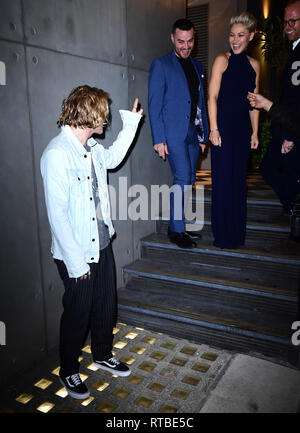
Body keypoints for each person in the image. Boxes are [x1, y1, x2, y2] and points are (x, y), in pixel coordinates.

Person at [40, 85, 143, 399]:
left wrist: (131, 123)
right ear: (88, 115)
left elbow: (112, 158)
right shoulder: (57, 153)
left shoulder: (93, 147)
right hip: (76, 253)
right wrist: (76, 264)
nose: (106, 121)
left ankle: (101, 353)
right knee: (77, 313)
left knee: (105, 306)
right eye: (103, 116)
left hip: (100, 243)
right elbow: (57, 217)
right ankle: (68, 370)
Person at [148, 18, 209, 249]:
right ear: (172, 38)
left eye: (190, 41)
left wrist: (203, 135)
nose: (185, 46)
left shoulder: (198, 66)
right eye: (181, 41)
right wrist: (159, 138)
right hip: (172, 134)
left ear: (195, 39)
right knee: (182, 178)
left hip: (193, 133)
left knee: (190, 179)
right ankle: (176, 230)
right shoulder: (161, 65)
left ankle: (179, 225)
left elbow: (200, 102)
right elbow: (154, 104)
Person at [207, 12, 260, 249]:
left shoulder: (255, 66)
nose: (235, 40)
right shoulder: (222, 60)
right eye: (231, 35)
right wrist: (214, 129)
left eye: (240, 35)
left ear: (251, 36)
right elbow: (212, 97)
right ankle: (222, 234)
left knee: (239, 183)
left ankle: (237, 235)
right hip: (223, 129)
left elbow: (254, 103)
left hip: (242, 131)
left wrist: (255, 132)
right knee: (222, 181)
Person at [259, 0, 300, 217]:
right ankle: (292, 213)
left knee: (271, 168)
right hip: (288, 126)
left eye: (292, 21)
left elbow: (296, 99)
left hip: (292, 129)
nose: (287, 27)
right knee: (273, 169)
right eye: (285, 22)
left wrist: (290, 135)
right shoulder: (294, 50)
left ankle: (293, 212)